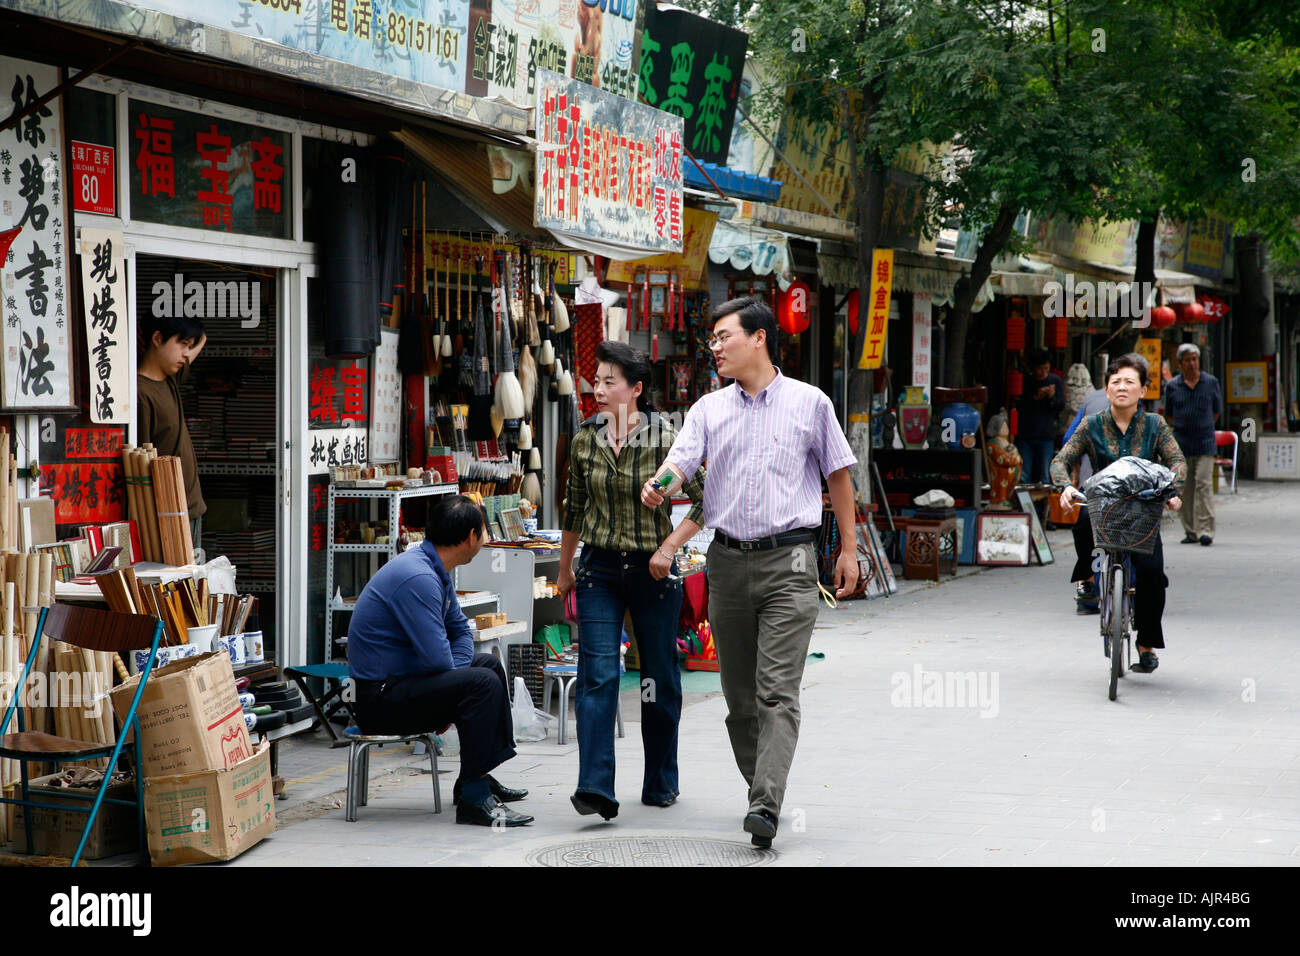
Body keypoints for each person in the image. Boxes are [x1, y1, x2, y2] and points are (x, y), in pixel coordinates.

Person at [643, 296, 859, 848]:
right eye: (712, 339)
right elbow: (680, 462)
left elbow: (838, 478)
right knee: (739, 701)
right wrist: (659, 487)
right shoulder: (709, 409)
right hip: (727, 563)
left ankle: (764, 803)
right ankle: (761, 785)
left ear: (758, 338)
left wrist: (849, 551)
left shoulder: (811, 404)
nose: (714, 347)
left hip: (791, 561)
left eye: (722, 337)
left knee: (776, 694)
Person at [557, 341, 706, 821]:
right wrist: (564, 571)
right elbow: (573, 509)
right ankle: (595, 787)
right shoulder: (584, 438)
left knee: (657, 679)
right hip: (598, 570)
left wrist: (669, 548)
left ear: (636, 389)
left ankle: (661, 781)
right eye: (596, 380)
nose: (597, 390)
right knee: (598, 676)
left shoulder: (668, 437)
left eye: (608, 382)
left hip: (653, 571)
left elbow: (708, 502)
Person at [347, 494, 532, 827]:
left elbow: (460, 632)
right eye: (484, 532)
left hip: (405, 684)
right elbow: (437, 660)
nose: (486, 539)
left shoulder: (435, 569)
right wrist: (454, 684)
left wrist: (453, 679)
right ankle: (474, 799)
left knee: (488, 666)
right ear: (471, 538)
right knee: (481, 681)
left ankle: (473, 779)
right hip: (381, 699)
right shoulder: (417, 578)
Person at [1052, 354, 1186, 673]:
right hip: (1104, 506)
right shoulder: (1092, 424)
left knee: (1153, 575)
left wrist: (1172, 490)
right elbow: (1061, 460)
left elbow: (1177, 461)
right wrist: (1065, 488)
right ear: (1107, 388)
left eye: (1129, 382)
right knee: (1082, 523)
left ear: (1143, 390)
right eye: (1115, 382)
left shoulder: (1155, 424)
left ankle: (1146, 644)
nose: (1121, 387)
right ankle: (1087, 577)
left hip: (1144, 505)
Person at [137, 313, 207, 548]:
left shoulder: (170, 377)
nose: (187, 354)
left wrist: (189, 332)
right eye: (182, 344)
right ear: (157, 339)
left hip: (191, 507)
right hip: (167, 515)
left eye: (190, 347)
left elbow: (202, 339)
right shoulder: (140, 394)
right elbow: (140, 464)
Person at [1062, 382, 1122, 614]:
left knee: (1087, 529)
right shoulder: (1139, 409)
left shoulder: (1091, 400)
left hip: (1094, 485)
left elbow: (1068, 439)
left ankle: (1087, 588)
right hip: (1118, 488)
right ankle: (1091, 586)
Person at [1163, 343, 1223, 546]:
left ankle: (1205, 531)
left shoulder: (1211, 382)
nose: (1192, 364)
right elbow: (1168, 414)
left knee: (1204, 485)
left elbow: (1216, 411)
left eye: (1194, 359)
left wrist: (1203, 425)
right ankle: (1190, 530)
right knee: (1185, 488)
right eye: (1187, 360)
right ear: (1180, 364)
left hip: (1205, 442)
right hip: (1181, 443)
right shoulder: (1172, 386)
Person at [1016, 348, 1066, 486]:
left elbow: (1060, 406)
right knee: (1024, 475)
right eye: (1039, 369)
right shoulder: (1026, 381)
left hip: (1046, 435)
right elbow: (1020, 406)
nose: (1043, 372)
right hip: (1026, 435)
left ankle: (1043, 506)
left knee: (1045, 475)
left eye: (1046, 368)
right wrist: (1036, 397)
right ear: (1033, 368)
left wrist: (1051, 398)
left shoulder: (1055, 381)